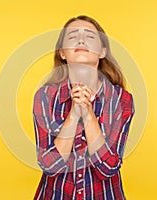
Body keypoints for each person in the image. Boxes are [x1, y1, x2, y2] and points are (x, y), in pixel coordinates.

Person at [33, 15, 135, 200]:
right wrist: (73, 114)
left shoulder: (121, 100)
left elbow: (108, 168)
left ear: (102, 52)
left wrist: (88, 115)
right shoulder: (45, 97)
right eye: (72, 37)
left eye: (89, 36)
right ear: (62, 53)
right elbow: (50, 166)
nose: (81, 39)